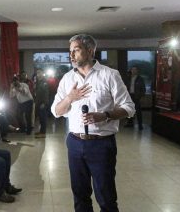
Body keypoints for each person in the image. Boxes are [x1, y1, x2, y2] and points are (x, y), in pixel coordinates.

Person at [51, 34, 135, 212]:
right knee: (80, 196)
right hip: (74, 142)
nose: (71, 55)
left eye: (76, 50)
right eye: (70, 51)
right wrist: (70, 98)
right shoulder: (67, 79)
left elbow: (129, 107)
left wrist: (104, 115)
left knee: (106, 197)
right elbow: (56, 111)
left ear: (90, 51)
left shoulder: (110, 75)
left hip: (101, 144)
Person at [125, 66, 146, 130]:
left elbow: (143, 89)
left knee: (138, 111)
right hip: (129, 96)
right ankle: (130, 123)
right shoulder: (128, 78)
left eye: (135, 69)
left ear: (137, 71)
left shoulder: (140, 79)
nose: (133, 71)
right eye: (132, 69)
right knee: (129, 110)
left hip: (136, 97)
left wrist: (140, 96)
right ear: (131, 70)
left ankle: (140, 125)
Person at [34, 68, 49, 139]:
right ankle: (41, 131)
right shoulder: (38, 82)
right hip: (38, 103)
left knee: (43, 118)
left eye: (39, 73)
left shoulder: (44, 82)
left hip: (42, 103)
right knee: (40, 118)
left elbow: (46, 93)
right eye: (37, 73)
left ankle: (43, 133)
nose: (38, 74)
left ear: (43, 73)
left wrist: (44, 103)